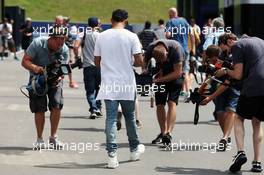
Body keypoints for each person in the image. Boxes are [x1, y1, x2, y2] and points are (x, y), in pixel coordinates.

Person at [94, 9, 145, 169]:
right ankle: (134, 149)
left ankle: (112, 156)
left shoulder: (101, 36)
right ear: (126, 20)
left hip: (109, 82)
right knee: (129, 117)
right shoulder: (132, 36)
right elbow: (139, 61)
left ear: (111, 19)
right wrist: (132, 62)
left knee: (110, 118)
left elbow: (96, 61)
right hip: (126, 82)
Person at [216, 33, 264, 173]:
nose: (229, 53)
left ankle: (241, 153)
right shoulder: (260, 41)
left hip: (253, 85)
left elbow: (237, 74)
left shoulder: (238, 46)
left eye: (226, 49)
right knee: (257, 122)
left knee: (239, 118)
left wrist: (224, 70)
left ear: (230, 41)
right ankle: (257, 162)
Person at [21, 26, 69, 149]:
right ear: (51, 38)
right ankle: (39, 139)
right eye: (58, 42)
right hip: (37, 80)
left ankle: (53, 137)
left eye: (63, 41)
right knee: (39, 109)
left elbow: (64, 69)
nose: (60, 45)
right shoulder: (37, 43)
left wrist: (59, 77)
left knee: (57, 105)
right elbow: (25, 61)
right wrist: (36, 68)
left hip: (54, 80)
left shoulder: (64, 49)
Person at [199, 45, 240, 151]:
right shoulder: (212, 64)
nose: (213, 61)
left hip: (233, 87)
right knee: (220, 113)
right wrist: (201, 90)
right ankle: (226, 136)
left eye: (214, 59)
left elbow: (226, 83)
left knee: (230, 110)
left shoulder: (227, 62)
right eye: (210, 59)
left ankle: (225, 137)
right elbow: (210, 78)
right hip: (219, 90)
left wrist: (210, 98)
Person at [144, 39, 184, 146]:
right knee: (160, 104)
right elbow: (143, 63)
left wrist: (157, 80)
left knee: (172, 103)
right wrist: (145, 74)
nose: (163, 62)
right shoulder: (151, 48)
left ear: (166, 52)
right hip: (160, 76)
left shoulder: (176, 49)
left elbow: (177, 73)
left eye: (164, 60)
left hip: (175, 75)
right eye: (160, 61)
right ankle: (163, 132)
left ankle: (168, 132)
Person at [74, 17, 102, 119]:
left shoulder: (83, 34)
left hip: (87, 65)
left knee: (90, 90)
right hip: (100, 66)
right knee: (99, 88)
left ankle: (93, 108)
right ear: (98, 25)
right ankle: (98, 107)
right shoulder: (101, 36)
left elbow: (76, 46)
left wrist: (78, 58)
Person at [165, 7, 194, 102]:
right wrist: (192, 47)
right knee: (186, 71)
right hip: (186, 48)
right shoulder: (184, 20)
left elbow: (168, 35)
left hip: (176, 49)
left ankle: (174, 92)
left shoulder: (170, 22)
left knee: (175, 70)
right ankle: (188, 91)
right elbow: (192, 34)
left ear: (170, 14)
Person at [54, 15, 78, 89]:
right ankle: (55, 79)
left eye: (62, 21)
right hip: (55, 50)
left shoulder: (65, 28)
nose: (61, 22)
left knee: (67, 65)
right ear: (56, 21)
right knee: (54, 65)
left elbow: (70, 37)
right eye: (60, 21)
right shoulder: (53, 28)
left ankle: (71, 82)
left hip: (64, 49)